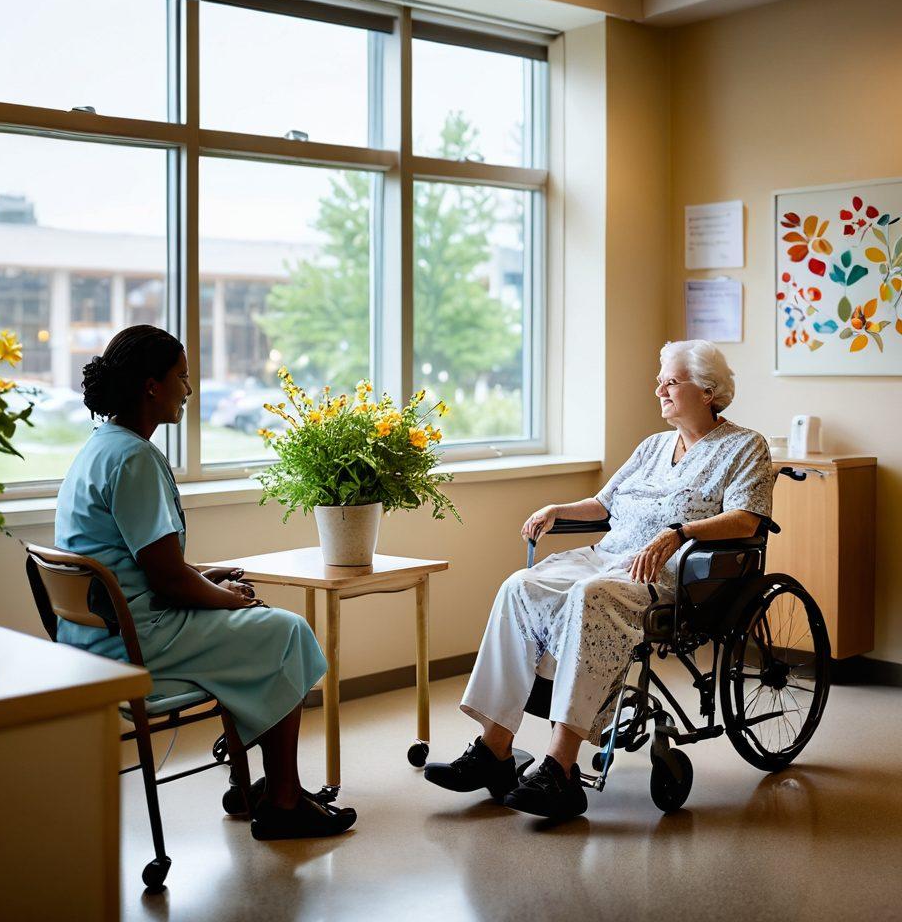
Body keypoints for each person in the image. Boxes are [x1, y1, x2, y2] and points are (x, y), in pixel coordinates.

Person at [424, 339, 774, 821]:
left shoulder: (745, 446)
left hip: (674, 574)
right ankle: (495, 750)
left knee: (592, 597)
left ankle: (561, 769)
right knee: (519, 587)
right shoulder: (652, 446)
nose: (660, 390)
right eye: (661, 381)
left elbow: (747, 520)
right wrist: (558, 509)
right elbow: (605, 504)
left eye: (671, 381)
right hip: (607, 557)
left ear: (709, 390)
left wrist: (678, 534)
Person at [54, 324, 356, 841]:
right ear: (152, 385)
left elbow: (143, 563)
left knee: (256, 629)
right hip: (136, 643)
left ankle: (255, 787)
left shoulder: (101, 447)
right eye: (182, 377)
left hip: (92, 638)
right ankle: (282, 801)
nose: (189, 391)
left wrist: (204, 579)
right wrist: (223, 597)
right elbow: (168, 580)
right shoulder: (134, 459)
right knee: (283, 633)